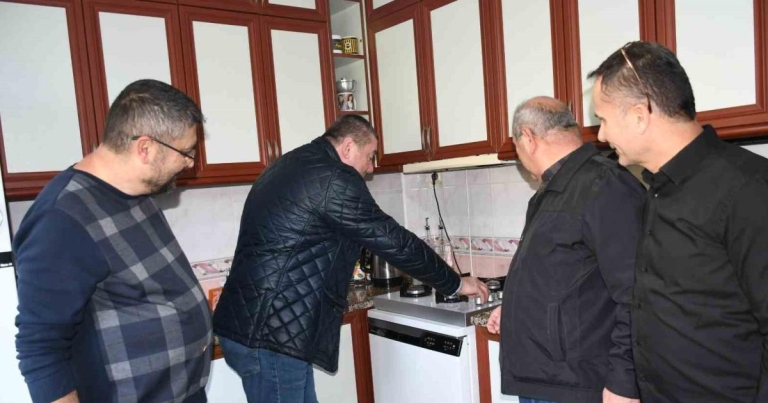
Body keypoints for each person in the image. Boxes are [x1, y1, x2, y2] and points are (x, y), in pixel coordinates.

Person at [213, 115, 489, 403]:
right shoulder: (332, 178)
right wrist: (455, 283)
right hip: (272, 334)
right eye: (369, 156)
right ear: (347, 147)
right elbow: (394, 241)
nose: (371, 168)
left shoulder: (292, 163)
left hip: (260, 325)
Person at [587, 40, 768, 402]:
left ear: (639, 116)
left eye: (603, 119)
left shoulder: (748, 188)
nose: (601, 135)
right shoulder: (657, 189)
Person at [14, 79, 212, 403]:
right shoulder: (61, 220)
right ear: (145, 148)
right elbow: (41, 349)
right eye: (186, 152)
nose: (190, 162)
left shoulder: (138, 190)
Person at [487, 97, 645, 403]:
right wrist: (517, 310)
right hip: (545, 379)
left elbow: (637, 294)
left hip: (578, 385)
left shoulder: (605, 186)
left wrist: (624, 382)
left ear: (528, 138)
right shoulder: (553, 190)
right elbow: (565, 276)